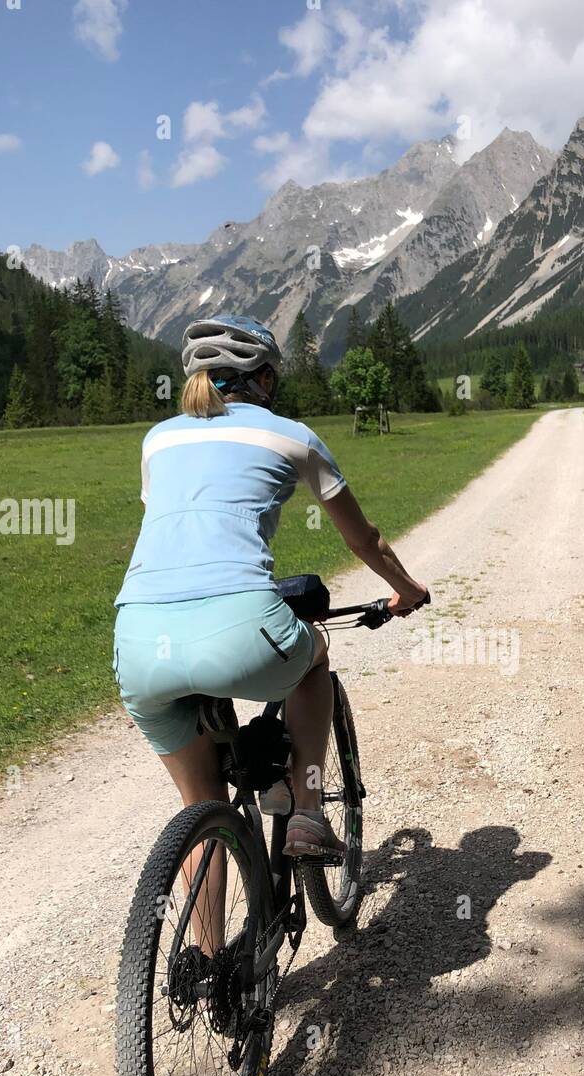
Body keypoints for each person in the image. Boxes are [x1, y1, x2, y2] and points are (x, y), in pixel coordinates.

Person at [113, 314, 427, 859]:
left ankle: (203, 947)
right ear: (262, 379)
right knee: (315, 656)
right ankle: (307, 810)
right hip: (241, 623)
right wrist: (407, 589)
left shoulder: (157, 439)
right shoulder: (292, 435)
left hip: (137, 640)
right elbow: (364, 540)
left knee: (199, 807)